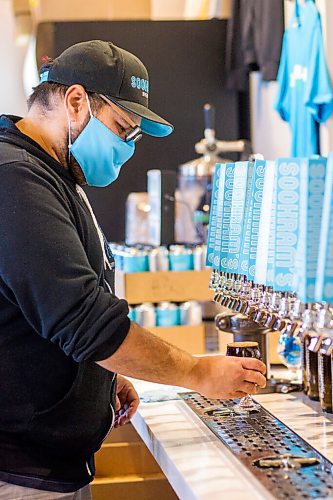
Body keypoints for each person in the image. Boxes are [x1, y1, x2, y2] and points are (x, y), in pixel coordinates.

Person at [0, 40, 266, 499]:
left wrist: (102, 376)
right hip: (19, 472)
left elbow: (46, 314)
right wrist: (199, 375)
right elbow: (83, 320)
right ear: (76, 101)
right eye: (123, 129)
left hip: (48, 464)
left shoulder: (54, 173)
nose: (127, 148)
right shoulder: (16, 178)